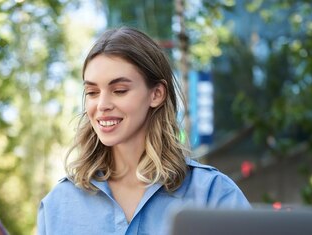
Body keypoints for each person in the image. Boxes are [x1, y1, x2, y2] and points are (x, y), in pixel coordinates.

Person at [37, 27, 250, 235]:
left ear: (156, 94)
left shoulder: (212, 194)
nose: (102, 105)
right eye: (92, 92)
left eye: (119, 90)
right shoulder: (58, 205)